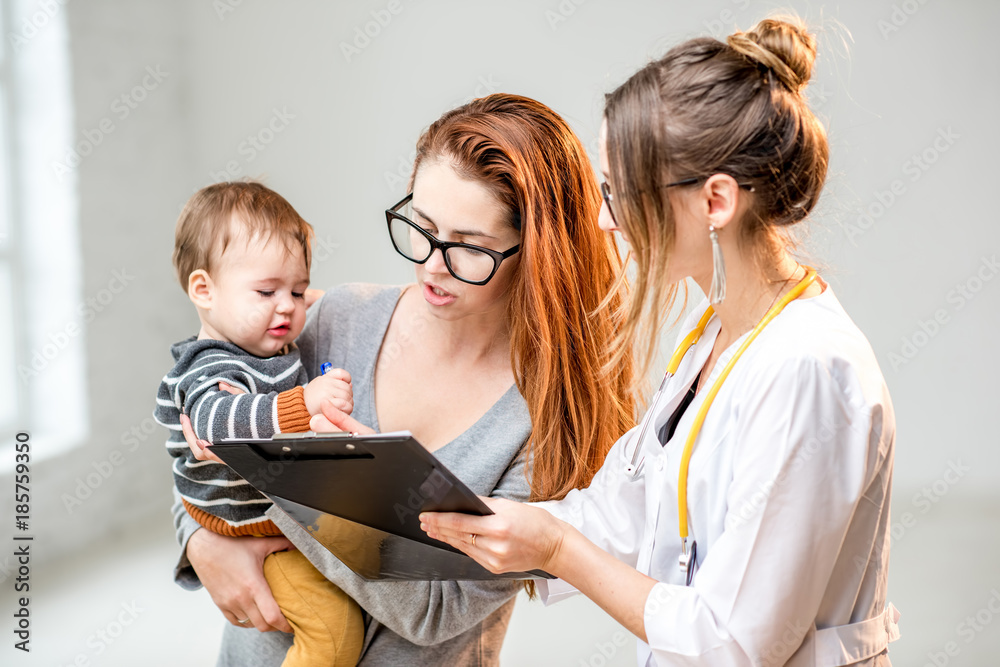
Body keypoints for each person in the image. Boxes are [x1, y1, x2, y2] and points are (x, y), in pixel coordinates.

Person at [421, 16, 901, 666]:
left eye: (619, 193)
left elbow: (733, 641)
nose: (602, 219)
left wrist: (556, 550)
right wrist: (453, 513)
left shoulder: (809, 369)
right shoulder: (712, 338)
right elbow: (621, 511)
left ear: (716, 201)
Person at [173, 94, 636, 666]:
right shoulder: (337, 316)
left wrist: (291, 466)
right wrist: (199, 541)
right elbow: (199, 413)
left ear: (536, 250)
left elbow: (436, 612)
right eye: (421, 227)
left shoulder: (550, 421)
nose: (431, 265)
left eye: (469, 246)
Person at [156, 181, 363, 667]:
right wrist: (304, 403)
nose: (288, 305)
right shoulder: (209, 365)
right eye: (267, 291)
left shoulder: (266, 346)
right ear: (203, 290)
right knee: (334, 628)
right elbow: (218, 426)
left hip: (271, 515)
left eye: (297, 289)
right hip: (245, 530)